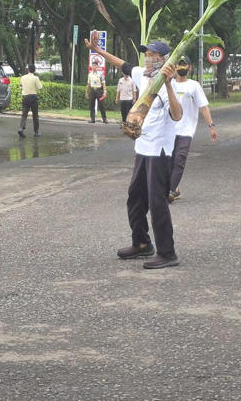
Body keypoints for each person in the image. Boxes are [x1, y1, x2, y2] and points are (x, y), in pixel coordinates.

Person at [84, 32, 183, 269]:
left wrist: (168, 84)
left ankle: (168, 253)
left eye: (153, 55)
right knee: (135, 198)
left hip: (160, 151)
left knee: (157, 201)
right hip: (142, 148)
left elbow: (177, 115)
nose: (148, 59)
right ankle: (141, 244)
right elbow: (121, 63)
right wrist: (97, 51)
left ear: (165, 59)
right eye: (146, 55)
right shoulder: (142, 75)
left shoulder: (167, 84)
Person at [168, 55, 218, 202]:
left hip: (186, 130)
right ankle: (174, 188)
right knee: (169, 161)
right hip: (169, 129)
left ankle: (170, 190)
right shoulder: (169, 84)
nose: (182, 67)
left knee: (179, 159)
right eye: (179, 64)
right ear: (175, 67)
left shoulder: (194, 85)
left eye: (185, 65)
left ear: (189, 67)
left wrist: (211, 126)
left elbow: (203, 107)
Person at [18, 64, 43, 137]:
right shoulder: (35, 78)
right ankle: (36, 132)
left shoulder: (23, 77)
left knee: (24, 114)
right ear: (34, 70)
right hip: (33, 97)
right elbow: (40, 87)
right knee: (35, 116)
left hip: (25, 97)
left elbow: (20, 86)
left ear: (28, 70)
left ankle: (21, 128)